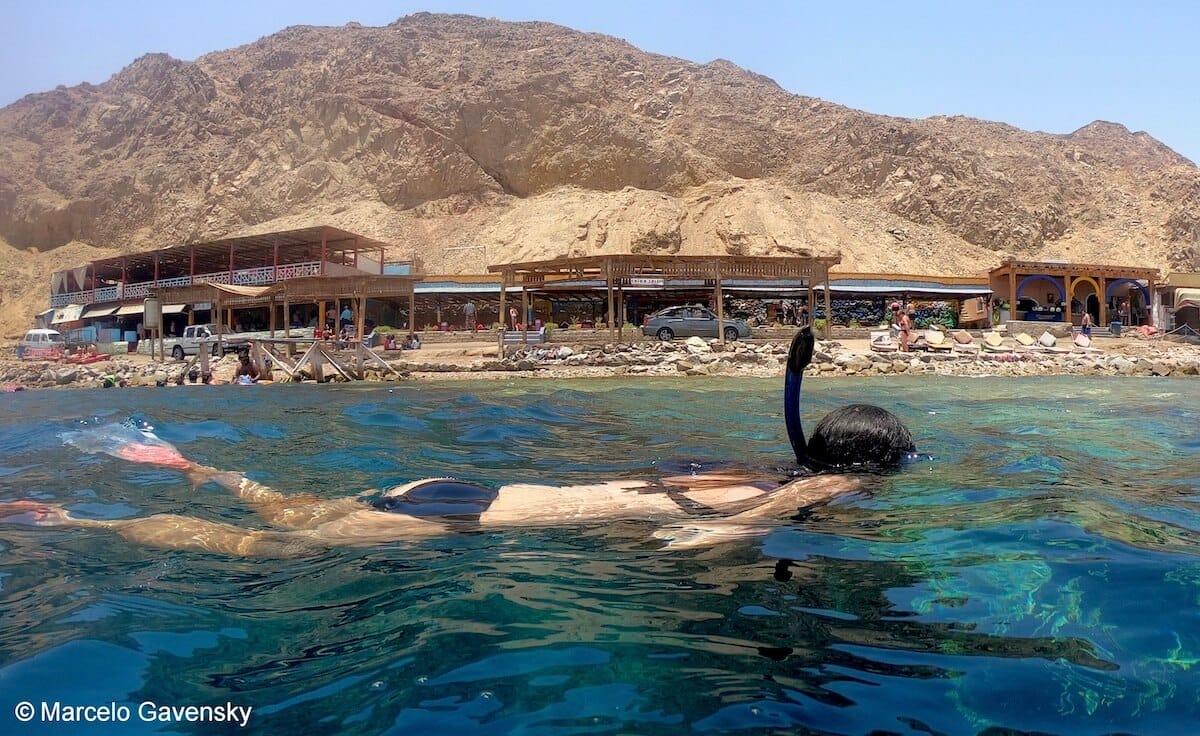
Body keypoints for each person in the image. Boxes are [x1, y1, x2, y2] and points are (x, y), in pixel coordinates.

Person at [3, 328, 914, 556]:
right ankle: (72, 521)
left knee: (293, 512)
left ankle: (196, 464)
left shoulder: (742, 466)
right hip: (472, 522)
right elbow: (769, 512)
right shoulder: (814, 487)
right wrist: (714, 539)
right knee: (268, 550)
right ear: (866, 469)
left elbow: (711, 493)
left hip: (464, 488)